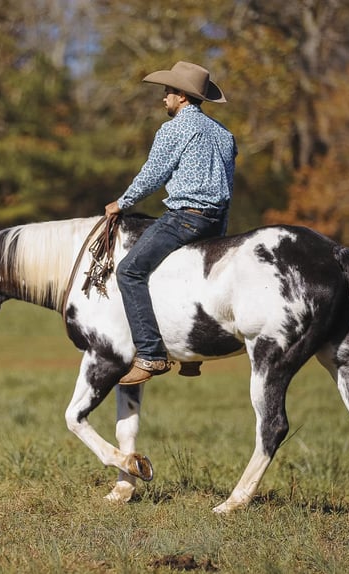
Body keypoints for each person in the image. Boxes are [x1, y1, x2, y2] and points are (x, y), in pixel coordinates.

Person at [105, 61, 237, 385]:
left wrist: (120, 203)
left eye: (167, 92)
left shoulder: (175, 128)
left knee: (130, 271)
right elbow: (228, 186)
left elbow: (153, 175)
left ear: (182, 96)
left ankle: (150, 354)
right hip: (215, 222)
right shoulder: (224, 134)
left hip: (185, 218)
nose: (163, 98)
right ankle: (192, 354)